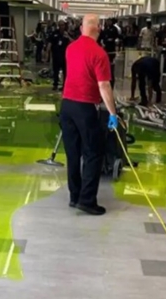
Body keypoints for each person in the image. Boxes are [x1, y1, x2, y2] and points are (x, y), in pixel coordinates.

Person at [60, 14, 118, 216]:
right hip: (85, 108)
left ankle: (74, 196)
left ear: (82, 28)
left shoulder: (70, 48)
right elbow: (103, 85)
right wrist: (113, 113)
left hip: (66, 106)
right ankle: (87, 201)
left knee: (73, 154)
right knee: (93, 152)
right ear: (98, 29)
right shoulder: (99, 53)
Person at [46, 20, 71, 91]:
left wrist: (68, 36)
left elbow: (73, 42)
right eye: (60, 25)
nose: (61, 27)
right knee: (55, 71)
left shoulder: (67, 34)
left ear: (64, 26)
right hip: (56, 55)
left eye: (62, 25)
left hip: (64, 56)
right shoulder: (54, 34)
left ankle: (64, 85)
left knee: (65, 71)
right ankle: (55, 84)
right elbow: (50, 43)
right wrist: (47, 53)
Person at [100, 18, 119, 87]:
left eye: (109, 21)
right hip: (105, 48)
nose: (108, 22)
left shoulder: (114, 29)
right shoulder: (105, 29)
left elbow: (117, 37)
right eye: (107, 21)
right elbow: (102, 37)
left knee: (110, 65)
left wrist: (113, 40)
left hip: (111, 48)